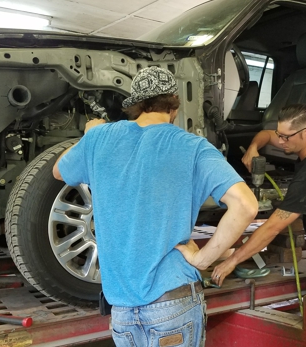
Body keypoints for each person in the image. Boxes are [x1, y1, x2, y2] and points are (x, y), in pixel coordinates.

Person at [53, 66, 258, 347]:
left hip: (122, 310)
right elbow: (245, 205)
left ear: (135, 105)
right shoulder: (193, 147)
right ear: (174, 103)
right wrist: (204, 259)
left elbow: (58, 171)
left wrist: (89, 137)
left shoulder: (100, 139)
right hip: (173, 302)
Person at [211, 104, 306, 292]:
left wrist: (232, 261)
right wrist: (253, 147)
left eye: (285, 137)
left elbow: (272, 228)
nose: (281, 141)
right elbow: (267, 135)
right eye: (279, 134)